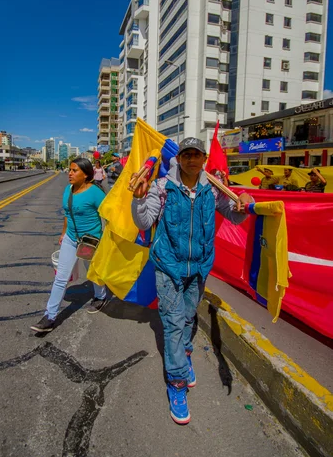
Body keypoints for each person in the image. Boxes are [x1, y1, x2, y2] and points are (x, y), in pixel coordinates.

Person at [130, 137, 253, 425]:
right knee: (173, 322)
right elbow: (144, 223)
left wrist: (246, 201)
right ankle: (176, 383)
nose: (192, 160)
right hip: (168, 268)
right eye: (187, 155)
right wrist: (138, 198)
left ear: (204, 158)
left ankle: (184, 357)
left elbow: (235, 217)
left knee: (187, 318)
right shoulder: (162, 187)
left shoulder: (213, 189)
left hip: (198, 268)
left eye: (197, 155)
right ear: (179, 159)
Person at [31, 158, 108, 333]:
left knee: (92, 271)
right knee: (61, 278)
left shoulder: (95, 193)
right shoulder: (68, 190)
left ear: (86, 175)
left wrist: (109, 238)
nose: (70, 173)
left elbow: (109, 214)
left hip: (90, 241)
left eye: (74, 170)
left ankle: (100, 296)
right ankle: (49, 317)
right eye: (70, 170)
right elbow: (67, 213)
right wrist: (63, 232)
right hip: (71, 239)